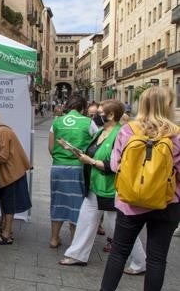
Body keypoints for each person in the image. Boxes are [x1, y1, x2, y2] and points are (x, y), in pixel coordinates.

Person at [76, 86, 180, 291]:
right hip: (167, 203)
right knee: (157, 258)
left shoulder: (128, 130)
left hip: (130, 202)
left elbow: (114, 165)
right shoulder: (176, 134)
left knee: (119, 251)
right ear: (169, 106)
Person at [58, 100, 146, 274]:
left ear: (111, 115)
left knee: (120, 228)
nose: (95, 116)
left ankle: (141, 262)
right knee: (86, 220)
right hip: (94, 187)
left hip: (111, 189)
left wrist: (89, 161)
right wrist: (75, 152)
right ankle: (77, 255)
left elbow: (116, 165)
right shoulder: (100, 132)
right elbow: (93, 153)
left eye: (99, 113)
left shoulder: (121, 134)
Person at [48, 93, 93, 248]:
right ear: (82, 107)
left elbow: (50, 147)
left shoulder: (57, 122)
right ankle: (75, 242)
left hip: (58, 168)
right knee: (77, 203)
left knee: (57, 201)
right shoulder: (89, 122)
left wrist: (60, 157)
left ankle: (54, 239)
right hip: (78, 168)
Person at [0, 118, 32, 244]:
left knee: (8, 204)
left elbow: (2, 157)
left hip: (11, 174)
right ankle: (5, 231)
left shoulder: (0, 132)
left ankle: (6, 235)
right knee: (7, 203)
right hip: (11, 172)